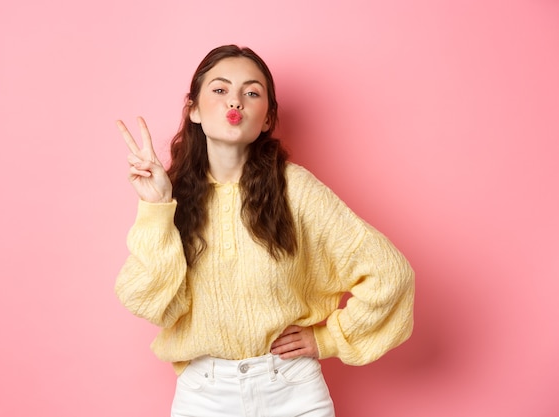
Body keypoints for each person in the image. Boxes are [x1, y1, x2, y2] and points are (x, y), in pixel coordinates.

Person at [115, 44, 414, 417]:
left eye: (251, 93)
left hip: (292, 391)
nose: (235, 102)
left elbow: (391, 274)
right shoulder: (170, 198)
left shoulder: (296, 188)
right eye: (220, 90)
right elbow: (145, 299)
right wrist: (156, 207)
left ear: (268, 118)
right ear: (193, 108)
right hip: (204, 396)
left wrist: (330, 338)